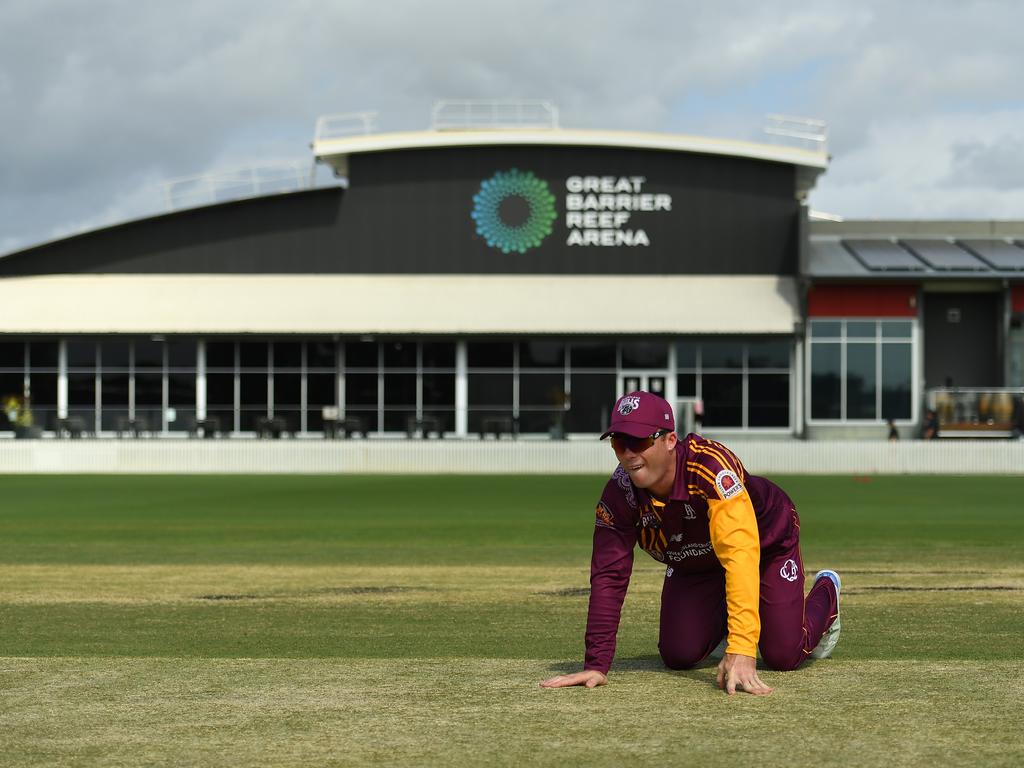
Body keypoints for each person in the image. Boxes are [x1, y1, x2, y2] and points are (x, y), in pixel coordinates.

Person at [540, 391, 840, 696]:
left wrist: (742, 647)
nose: (629, 454)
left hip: (766, 544)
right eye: (619, 443)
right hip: (696, 561)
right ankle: (723, 616)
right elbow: (608, 575)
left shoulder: (711, 468)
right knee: (679, 654)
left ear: (670, 440)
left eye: (639, 441)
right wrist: (597, 663)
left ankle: (827, 591)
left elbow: (739, 555)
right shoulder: (619, 494)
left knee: (782, 655)